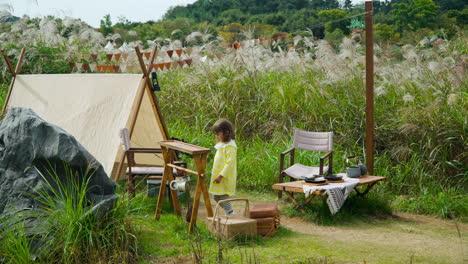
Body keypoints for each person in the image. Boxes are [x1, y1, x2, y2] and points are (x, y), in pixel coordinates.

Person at [209, 119, 237, 216]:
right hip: (218, 175)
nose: (216, 136)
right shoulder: (222, 145)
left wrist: (221, 176)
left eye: (218, 134)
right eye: (215, 134)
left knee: (223, 195)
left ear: (226, 133)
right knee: (215, 196)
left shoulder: (230, 147)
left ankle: (229, 212)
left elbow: (230, 164)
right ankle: (229, 211)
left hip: (224, 177)